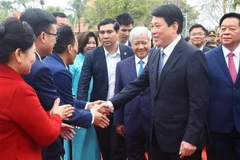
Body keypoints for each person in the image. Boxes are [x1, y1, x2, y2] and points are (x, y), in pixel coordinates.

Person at [102, 4, 209, 160]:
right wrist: (110, 104)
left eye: (157, 26)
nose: (153, 31)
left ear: (174, 27)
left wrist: (190, 138)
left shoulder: (192, 56)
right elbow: (138, 84)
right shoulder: (155, 54)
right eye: (152, 26)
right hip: (157, 137)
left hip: (181, 140)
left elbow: (199, 102)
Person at [20, 8, 108, 160]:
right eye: (54, 35)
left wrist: (88, 106)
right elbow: (60, 107)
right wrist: (92, 117)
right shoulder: (42, 68)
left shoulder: (42, 63)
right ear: (42, 36)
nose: (55, 40)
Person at [0, 17, 73, 160]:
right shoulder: (19, 90)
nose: (34, 59)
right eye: (33, 52)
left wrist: (49, 118)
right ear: (19, 54)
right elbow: (46, 136)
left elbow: (18, 119)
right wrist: (57, 115)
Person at [77, 18, 134, 160]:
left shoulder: (129, 53)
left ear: (117, 32)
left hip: (123, 109)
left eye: (109, 31)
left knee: (119, 150)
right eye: (102, 32)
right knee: (105, 149)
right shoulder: (92, 56)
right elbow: (83, 84)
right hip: (101, 110)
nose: (105, 36)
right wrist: (82, 112)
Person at [205, 12, 240, 160]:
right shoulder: (207, 58)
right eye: (223, 28)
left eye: (231, 29)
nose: (226, 32)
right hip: (216, 126)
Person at [113, 26, 152, 160]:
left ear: (150, 43)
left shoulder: (159, 62)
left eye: (144, 43)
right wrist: (118, 121)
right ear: (131, 44)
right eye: (137, 43)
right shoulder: (122, 65)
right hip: (131, 121)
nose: (141, 47)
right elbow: (118, 92)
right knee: (134, 156)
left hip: (154, 121)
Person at [64, 31, 101, 160]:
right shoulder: (74, 61)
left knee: (92, 142)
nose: (91, 45)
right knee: (78, 141)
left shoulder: (95, 60)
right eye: (88, 43)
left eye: (93, 43)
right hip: (78, 107)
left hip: (93, 107)